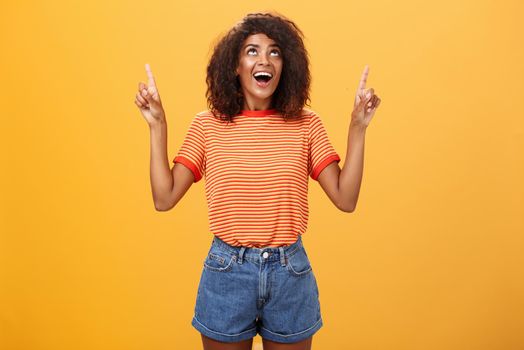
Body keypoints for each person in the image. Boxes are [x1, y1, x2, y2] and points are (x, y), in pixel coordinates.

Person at [134, 12, 381, 350]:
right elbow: (163, 198)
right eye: (252, 51)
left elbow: (345, 198)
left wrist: (358, 127)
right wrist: (157, 125)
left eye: (275, 52)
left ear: (286, 66)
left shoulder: (307, 125)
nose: (264, 59)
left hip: (289, 275)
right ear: (234, 66)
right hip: (227, 273)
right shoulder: (207, 126)